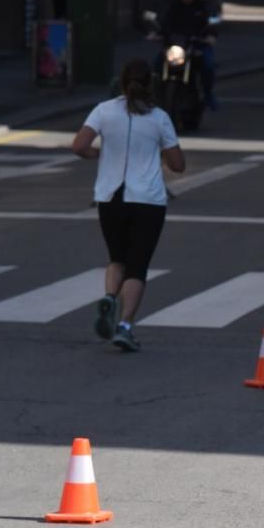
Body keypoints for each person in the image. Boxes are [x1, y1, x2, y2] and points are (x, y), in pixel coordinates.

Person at [72, 59, 185, 352]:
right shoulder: (159, 118)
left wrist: (98, 155)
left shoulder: (104, 111)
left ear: (121, 83)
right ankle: (124, 326)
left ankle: (110, 296)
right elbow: (178, 164)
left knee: (117, 258)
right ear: (151, 84)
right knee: (138, 266)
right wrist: (159, 150)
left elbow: (78, 145)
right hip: (147, 199)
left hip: (110, 197)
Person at [161, 0, 219, 111]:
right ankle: (154, 95)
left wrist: (210, 36)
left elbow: (211, 23)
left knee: (208, 66)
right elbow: (165, 24)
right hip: (177, 47)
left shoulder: (202, 7)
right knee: (157, 63)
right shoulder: (173, 7)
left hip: (197, 46)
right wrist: (158, 33)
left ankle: (208, 94)